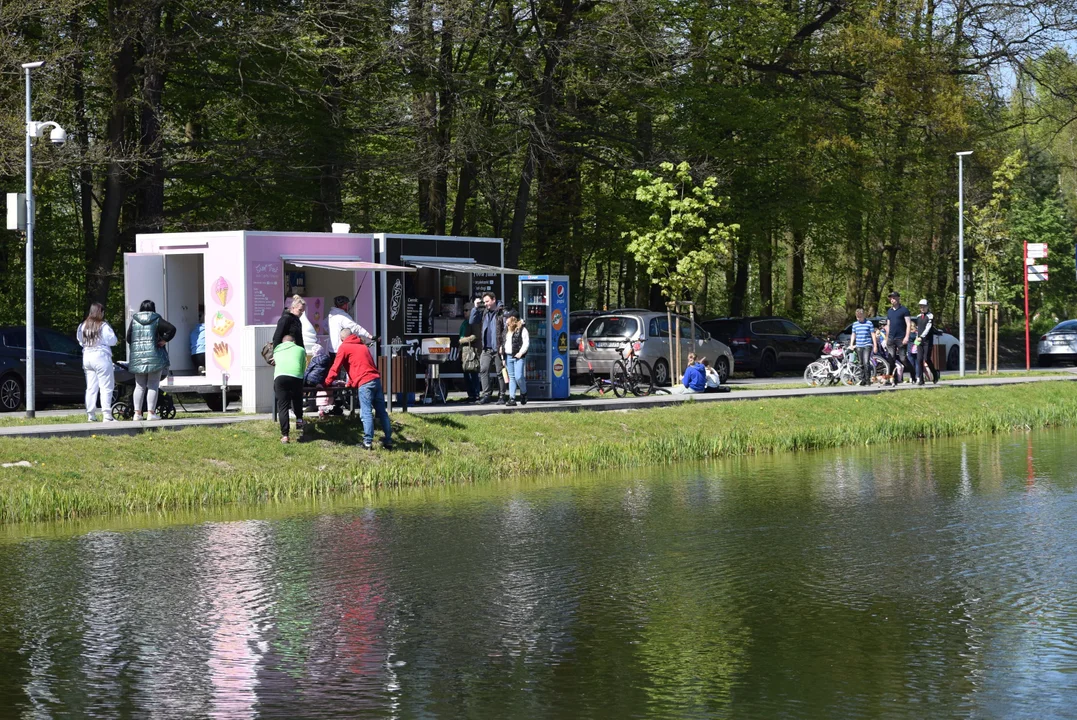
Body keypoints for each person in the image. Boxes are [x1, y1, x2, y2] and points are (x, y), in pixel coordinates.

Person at [326, 328, 392, 450]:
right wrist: (350, 383)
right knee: (382, 412)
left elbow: (336, 368)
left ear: (341, 339)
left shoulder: (344, 347)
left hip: (365, 383)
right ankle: (388, 441)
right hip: (376, 380)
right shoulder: (363, 346)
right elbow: (362, 366)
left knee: (366, 412)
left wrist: (326, 383)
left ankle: (367, 442)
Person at [126, 300, 176, 421]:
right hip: (155, 358)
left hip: (138, 359)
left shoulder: (134, 320)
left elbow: (128, 338)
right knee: (153, 385)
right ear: (153, 308)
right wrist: (164, 340)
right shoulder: (156, 319)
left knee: (139, 386)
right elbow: (172, 329)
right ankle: (151, 413)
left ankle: (137, 414)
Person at [77, 302, 118, 422]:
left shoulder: (83, 326)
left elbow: (80, 341)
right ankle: (107, 415)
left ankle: (91, 415)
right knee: (106, 386)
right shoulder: (103, 326)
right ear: (100, 312)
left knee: (91, 387)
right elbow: (112, 341)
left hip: (87, 356)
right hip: (101, 357)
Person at [469, 291, 507, 404]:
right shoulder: (485, 312)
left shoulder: (501, 312)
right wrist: (475, 308)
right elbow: (472, 321)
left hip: (498, 347)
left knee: (500, 372)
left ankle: (502, 395)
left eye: (487, 301)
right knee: (483, 369)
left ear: (494, 299)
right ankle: (486, 394)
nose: (486, 304)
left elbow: (505, 330)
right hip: (486, 348)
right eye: (484, 302)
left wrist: (503, 346)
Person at [273, 333, 307, 443]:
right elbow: (303, 366)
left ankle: (285, 436)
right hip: (296, 376)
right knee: (297, 398)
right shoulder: (300, 350)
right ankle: (299, 420)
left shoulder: (277, 350)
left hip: (280, 377)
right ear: (294, 342)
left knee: (282, 406)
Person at [884, 291, 912, 386]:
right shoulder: (889, 311)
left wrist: (907, 336)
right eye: (891, 298)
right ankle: (891, 379)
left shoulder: (904, 310)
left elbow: (908, 324)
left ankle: (913, 373)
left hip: (901, 338)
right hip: (891, 338)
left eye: (894, 297)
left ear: (898, 298)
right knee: (891, 358)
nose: (892, 299)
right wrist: (887, 338)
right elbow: (888, 325)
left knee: (903, 358)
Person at [503, 312, 530, 407]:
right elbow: (504, 343)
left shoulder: (523, 330)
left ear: (513, 319)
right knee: (512, 378)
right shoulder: (506, 330)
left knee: (519, 376)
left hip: (518, 356)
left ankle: (524, 392)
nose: (506, 321)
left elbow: (526, 343)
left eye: (507, 318)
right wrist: (503, 356)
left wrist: (521, 352)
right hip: (508, 356)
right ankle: (512, 398)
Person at [850, 308, 877, 386]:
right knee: (861, 363)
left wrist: (875, 345)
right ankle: (863, 379)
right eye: (857, 317)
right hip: (859, 345)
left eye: (860, 316)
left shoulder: (869, 323)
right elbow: (853, 334)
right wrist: (851, 344)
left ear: (863, 315)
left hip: (867, 345)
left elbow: (872, 334)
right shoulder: (855, 324)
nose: (858, 318)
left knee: (866, 362)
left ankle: (868, 380)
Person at [914, 298, 938, 385]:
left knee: (927, 359)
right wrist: (917, 337)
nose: (922, 308)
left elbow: (928, 328)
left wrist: (921, 336)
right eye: (921, 306)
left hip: (927, 341)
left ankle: (935, 374)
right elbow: (918, 329)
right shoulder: (918, 317)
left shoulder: (930, 316)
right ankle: (920, 379)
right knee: (919, 359)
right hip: (919, 340)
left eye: (924, 306)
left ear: (927, 307)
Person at [459, 312, 481, 402]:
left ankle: (476, 394)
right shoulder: (464, 322)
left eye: (467, 310)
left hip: (472, 351)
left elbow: (476, 336)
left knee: (473, 372)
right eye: (464, 310)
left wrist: (463, 340)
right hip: (464, 350)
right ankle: (470, 395)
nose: (465, 312)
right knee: (466, 373)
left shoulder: (474, 322)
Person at [190, 306, 206, 373]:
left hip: (194, 355)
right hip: (204, 353)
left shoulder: (194, 330)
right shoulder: (208, 329)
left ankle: (201, 367)